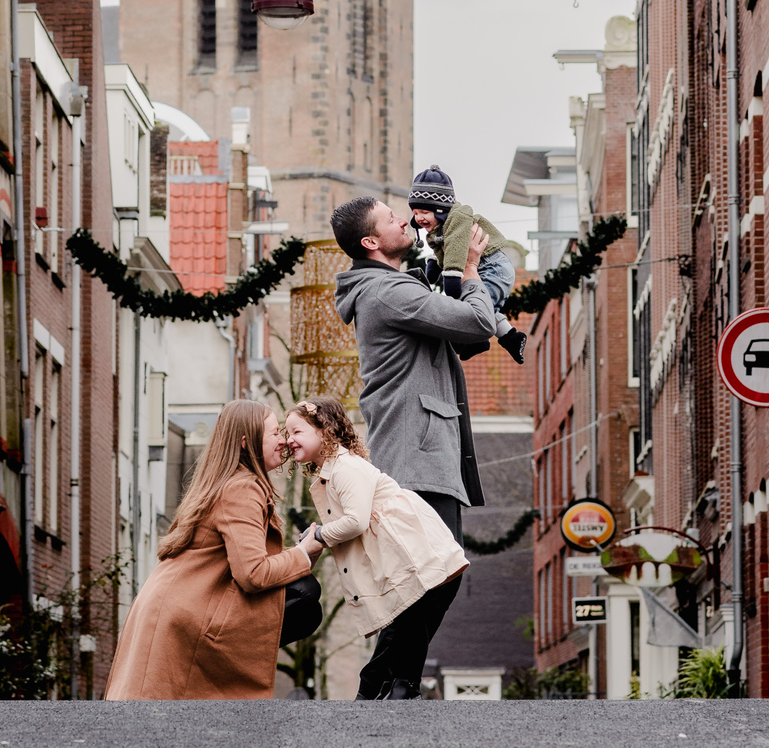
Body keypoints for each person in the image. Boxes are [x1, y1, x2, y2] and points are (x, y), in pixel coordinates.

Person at [104, 398, 320, 699]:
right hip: (185, 616)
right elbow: (254, 574)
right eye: (274, 433)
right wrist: (302, 554)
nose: (283, 440)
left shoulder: (226, 482)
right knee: (305, 593)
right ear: (246, 443)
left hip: (177, 610)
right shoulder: (242, 488)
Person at [331, 196, 493, 546]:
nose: (404, 220)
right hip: (419, 465)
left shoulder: (385, 290)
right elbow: (480, 322)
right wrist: (469, 269)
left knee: (432, 582)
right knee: (435, 582)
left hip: (416, 462)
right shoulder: (388, 291)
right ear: (371, 242)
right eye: (390, 219)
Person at [285, 396, 466, 701]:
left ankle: (384, 691)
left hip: (418, 555)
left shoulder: (344, 467)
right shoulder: (332, 472)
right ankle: (393, 689)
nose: (289, 439)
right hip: (410, 557)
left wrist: (319, 535)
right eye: (286, 433)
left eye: (296, 431)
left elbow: (355, 521)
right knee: (405, 629)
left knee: (405, 626)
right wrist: (318, 532)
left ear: (324, 431)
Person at [408, 163, 529, 364]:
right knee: (484, 307)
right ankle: (511, 337)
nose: (418, 218)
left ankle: (477, 339)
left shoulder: (458, 218)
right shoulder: (439, 227)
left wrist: (452, 276)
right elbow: (442, 251)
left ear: (439, 209)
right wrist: (433, 268)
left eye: (424, 212)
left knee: (476, 309)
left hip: (493, 267)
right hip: (484, 268)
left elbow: (455, 249)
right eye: (415, 212)